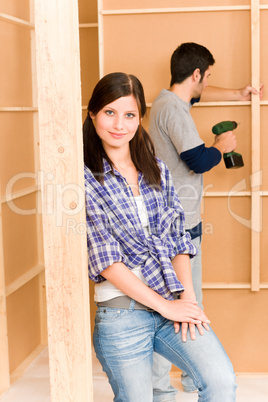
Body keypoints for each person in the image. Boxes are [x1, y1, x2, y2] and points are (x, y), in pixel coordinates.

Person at [84, 71, 237, 401]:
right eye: (109, 112)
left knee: (222, 382)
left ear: (140, 118)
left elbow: (177, 238)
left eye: (130, 115)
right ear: (93, 112)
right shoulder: (84, 177)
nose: (119, 125)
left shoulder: (155, 169)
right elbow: (106, 260)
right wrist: (166, 307)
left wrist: (187, 300)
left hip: (171, 300)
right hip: (122, 315)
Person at [149, 42, 263, 396]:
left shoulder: (172, 102)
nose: (208, 85)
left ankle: (188, 375)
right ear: (195, 74)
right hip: (178, 226)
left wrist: (240, 93)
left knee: (187, 302)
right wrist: (221, 147)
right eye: (207, 77)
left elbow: (200, 97)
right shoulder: (173, 110)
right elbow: (197, 161)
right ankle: (159, 385)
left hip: (181, 222)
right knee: (180, 304)